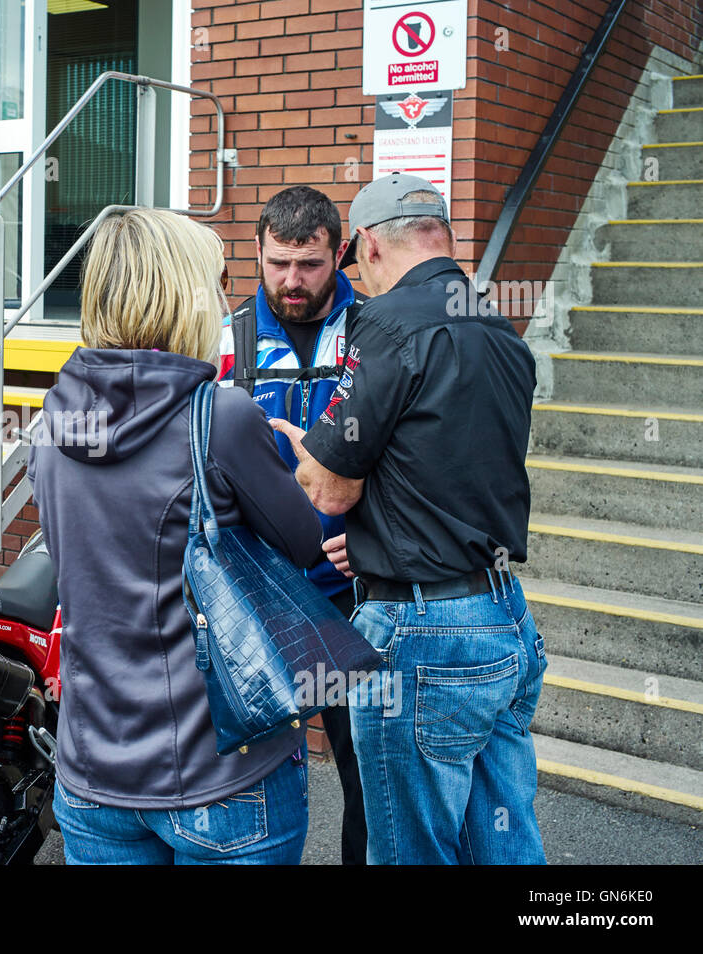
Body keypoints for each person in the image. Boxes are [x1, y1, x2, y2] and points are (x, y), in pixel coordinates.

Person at [27, 208, 324, 865]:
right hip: (220, 776)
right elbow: (305, 543)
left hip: (94, 776)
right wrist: (304, 469)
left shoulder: (50, 424)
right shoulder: (221, 417)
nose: (223, 299)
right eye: (214, 284)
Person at [271, 173, 546, 865]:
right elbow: (445, 464)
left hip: (424, 636)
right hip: (503, 616)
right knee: (503, 845)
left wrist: (304, 451)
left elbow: (330, 491)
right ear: (441, 233)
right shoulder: (499, 327)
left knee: (409, 853)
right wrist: (379, 533)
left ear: (364, 245)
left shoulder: (387, 322)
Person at [217, 185, 369, 865]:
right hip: (256, 592)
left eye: (309, 264)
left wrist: (371, 541)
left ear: (340, 252)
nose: (292, 281)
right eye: (277, 263)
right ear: (258, 251)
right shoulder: (227, 336)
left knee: (368, 775)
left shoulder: (379, 332)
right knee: (240, 772)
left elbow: (410, 459)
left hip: (348, 594)